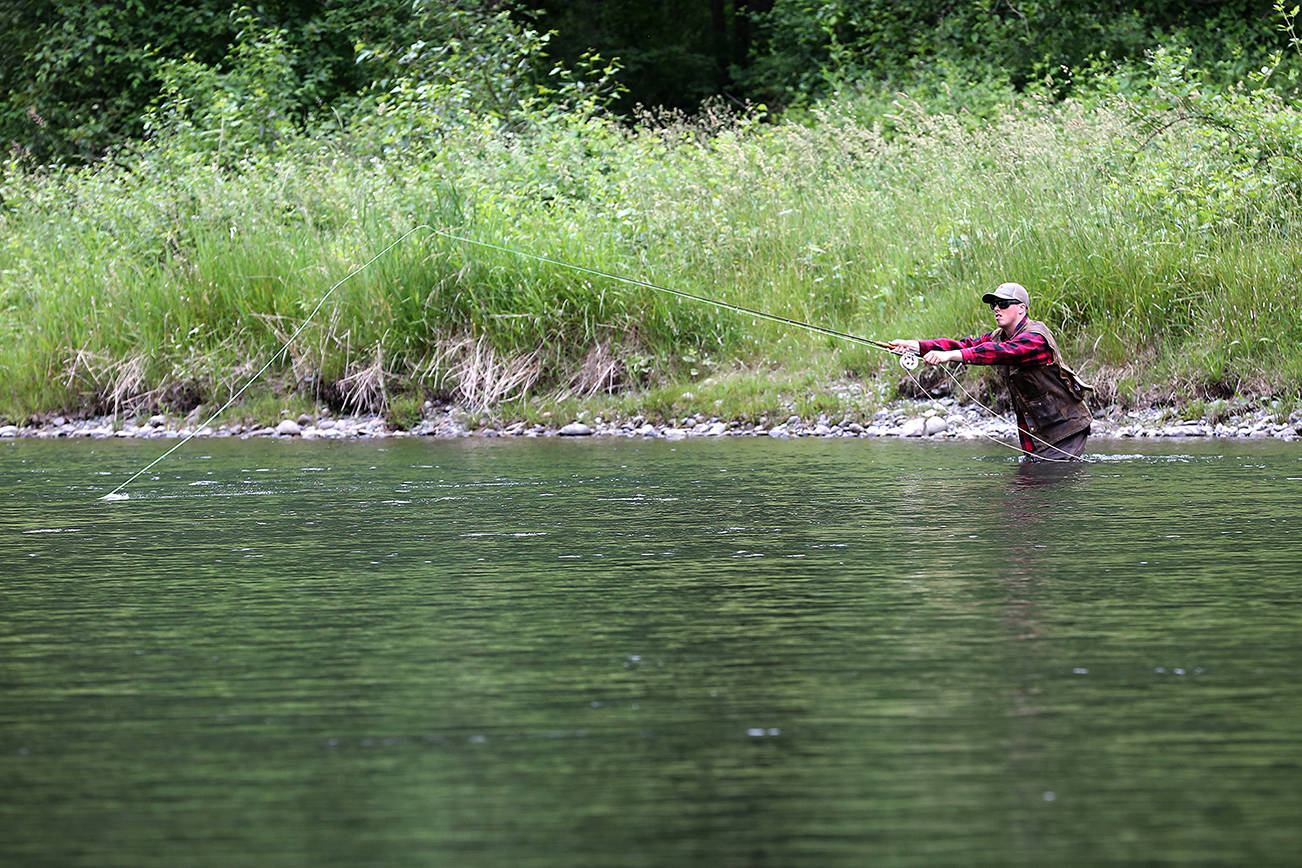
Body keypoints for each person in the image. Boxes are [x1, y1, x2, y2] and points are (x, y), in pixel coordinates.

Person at [888, 282, 1093, 460]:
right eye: (994, 304)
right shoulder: (999, 336)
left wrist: (949, 356)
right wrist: (915, 346)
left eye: (1003, 304)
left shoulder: (1036, 338)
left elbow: (1002, 352)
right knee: (1029, 486)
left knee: (1043, 486)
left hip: (1066, 429)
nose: (996, 308)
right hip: (1037, 432)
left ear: (1021, 308)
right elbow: (964, 345)